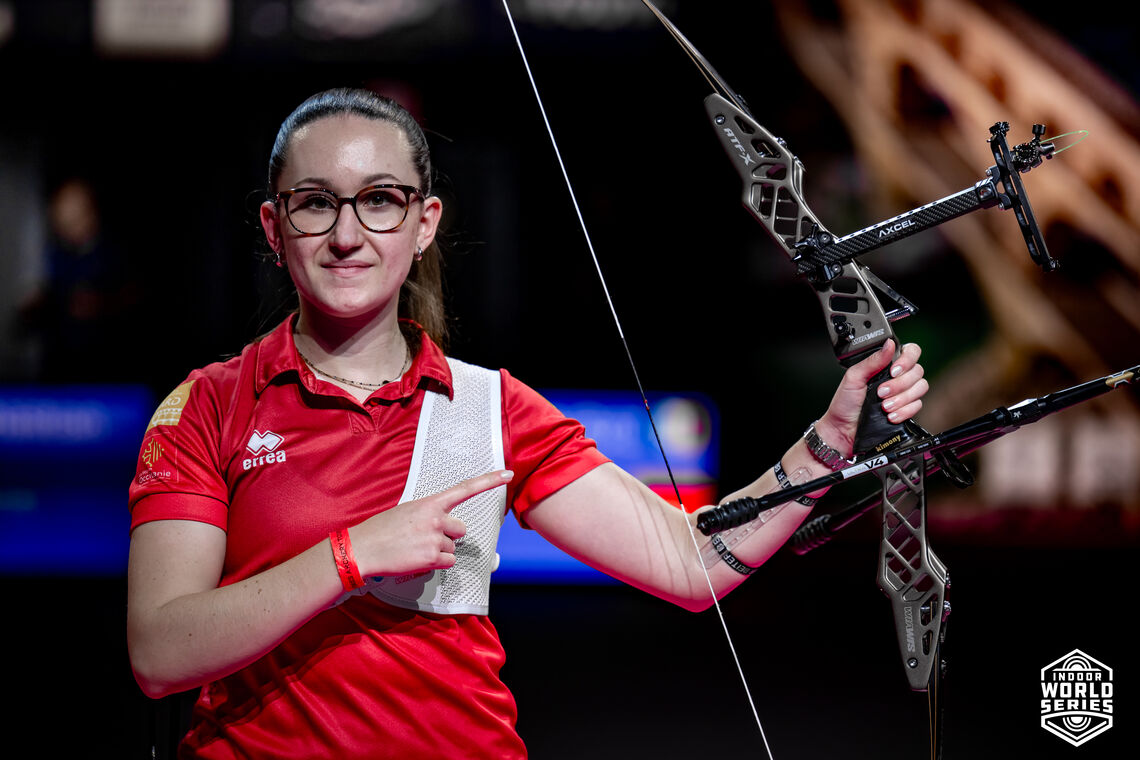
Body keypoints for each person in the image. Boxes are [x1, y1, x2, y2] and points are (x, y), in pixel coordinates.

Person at [126, 88, 929, 759]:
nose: (347, 234)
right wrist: (351, 554)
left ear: (424, 221)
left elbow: (691, 564)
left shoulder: (491, 408)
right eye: (314, 205)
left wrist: (829, 440)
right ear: (274, 229)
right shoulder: (208, 406)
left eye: (380, 201)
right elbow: (161, 653)